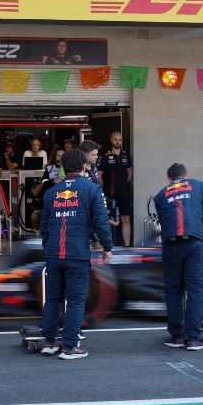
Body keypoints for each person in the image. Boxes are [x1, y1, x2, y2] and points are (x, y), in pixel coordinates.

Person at [39, 149, 113, 360]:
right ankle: (70, 347)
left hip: (54, 253)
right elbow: (101, 222)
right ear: (83, 167)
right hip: (77, 254)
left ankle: (49, 342)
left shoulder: (51, 192)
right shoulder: (92, 189)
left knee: (53, 298)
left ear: (63, 168)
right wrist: (108, 248)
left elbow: (44, 227)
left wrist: (48, 248)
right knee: (76, 300)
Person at [155, 163, 203, 351]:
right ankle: (193, 339)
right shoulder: (200, 187)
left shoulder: (161, 195)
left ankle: (177, 336)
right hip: (195, 242)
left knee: (173, 290)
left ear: (169, 180)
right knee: (195, 289)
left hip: (171, 243)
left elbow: (163, 222)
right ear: (186, 175)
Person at [98, 132, 133, 247]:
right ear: (111, 140)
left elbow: (129, 173)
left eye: (120, 140)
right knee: (108, 221)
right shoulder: (105, 156)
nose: (117, 142)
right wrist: (103, 191)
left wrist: (123, 184)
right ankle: (108, 247)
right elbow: (99, 176)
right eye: (115, 139)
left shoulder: (126, 155)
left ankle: (127, 246)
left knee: (126, 219)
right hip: (110, 193)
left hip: (124, 193)